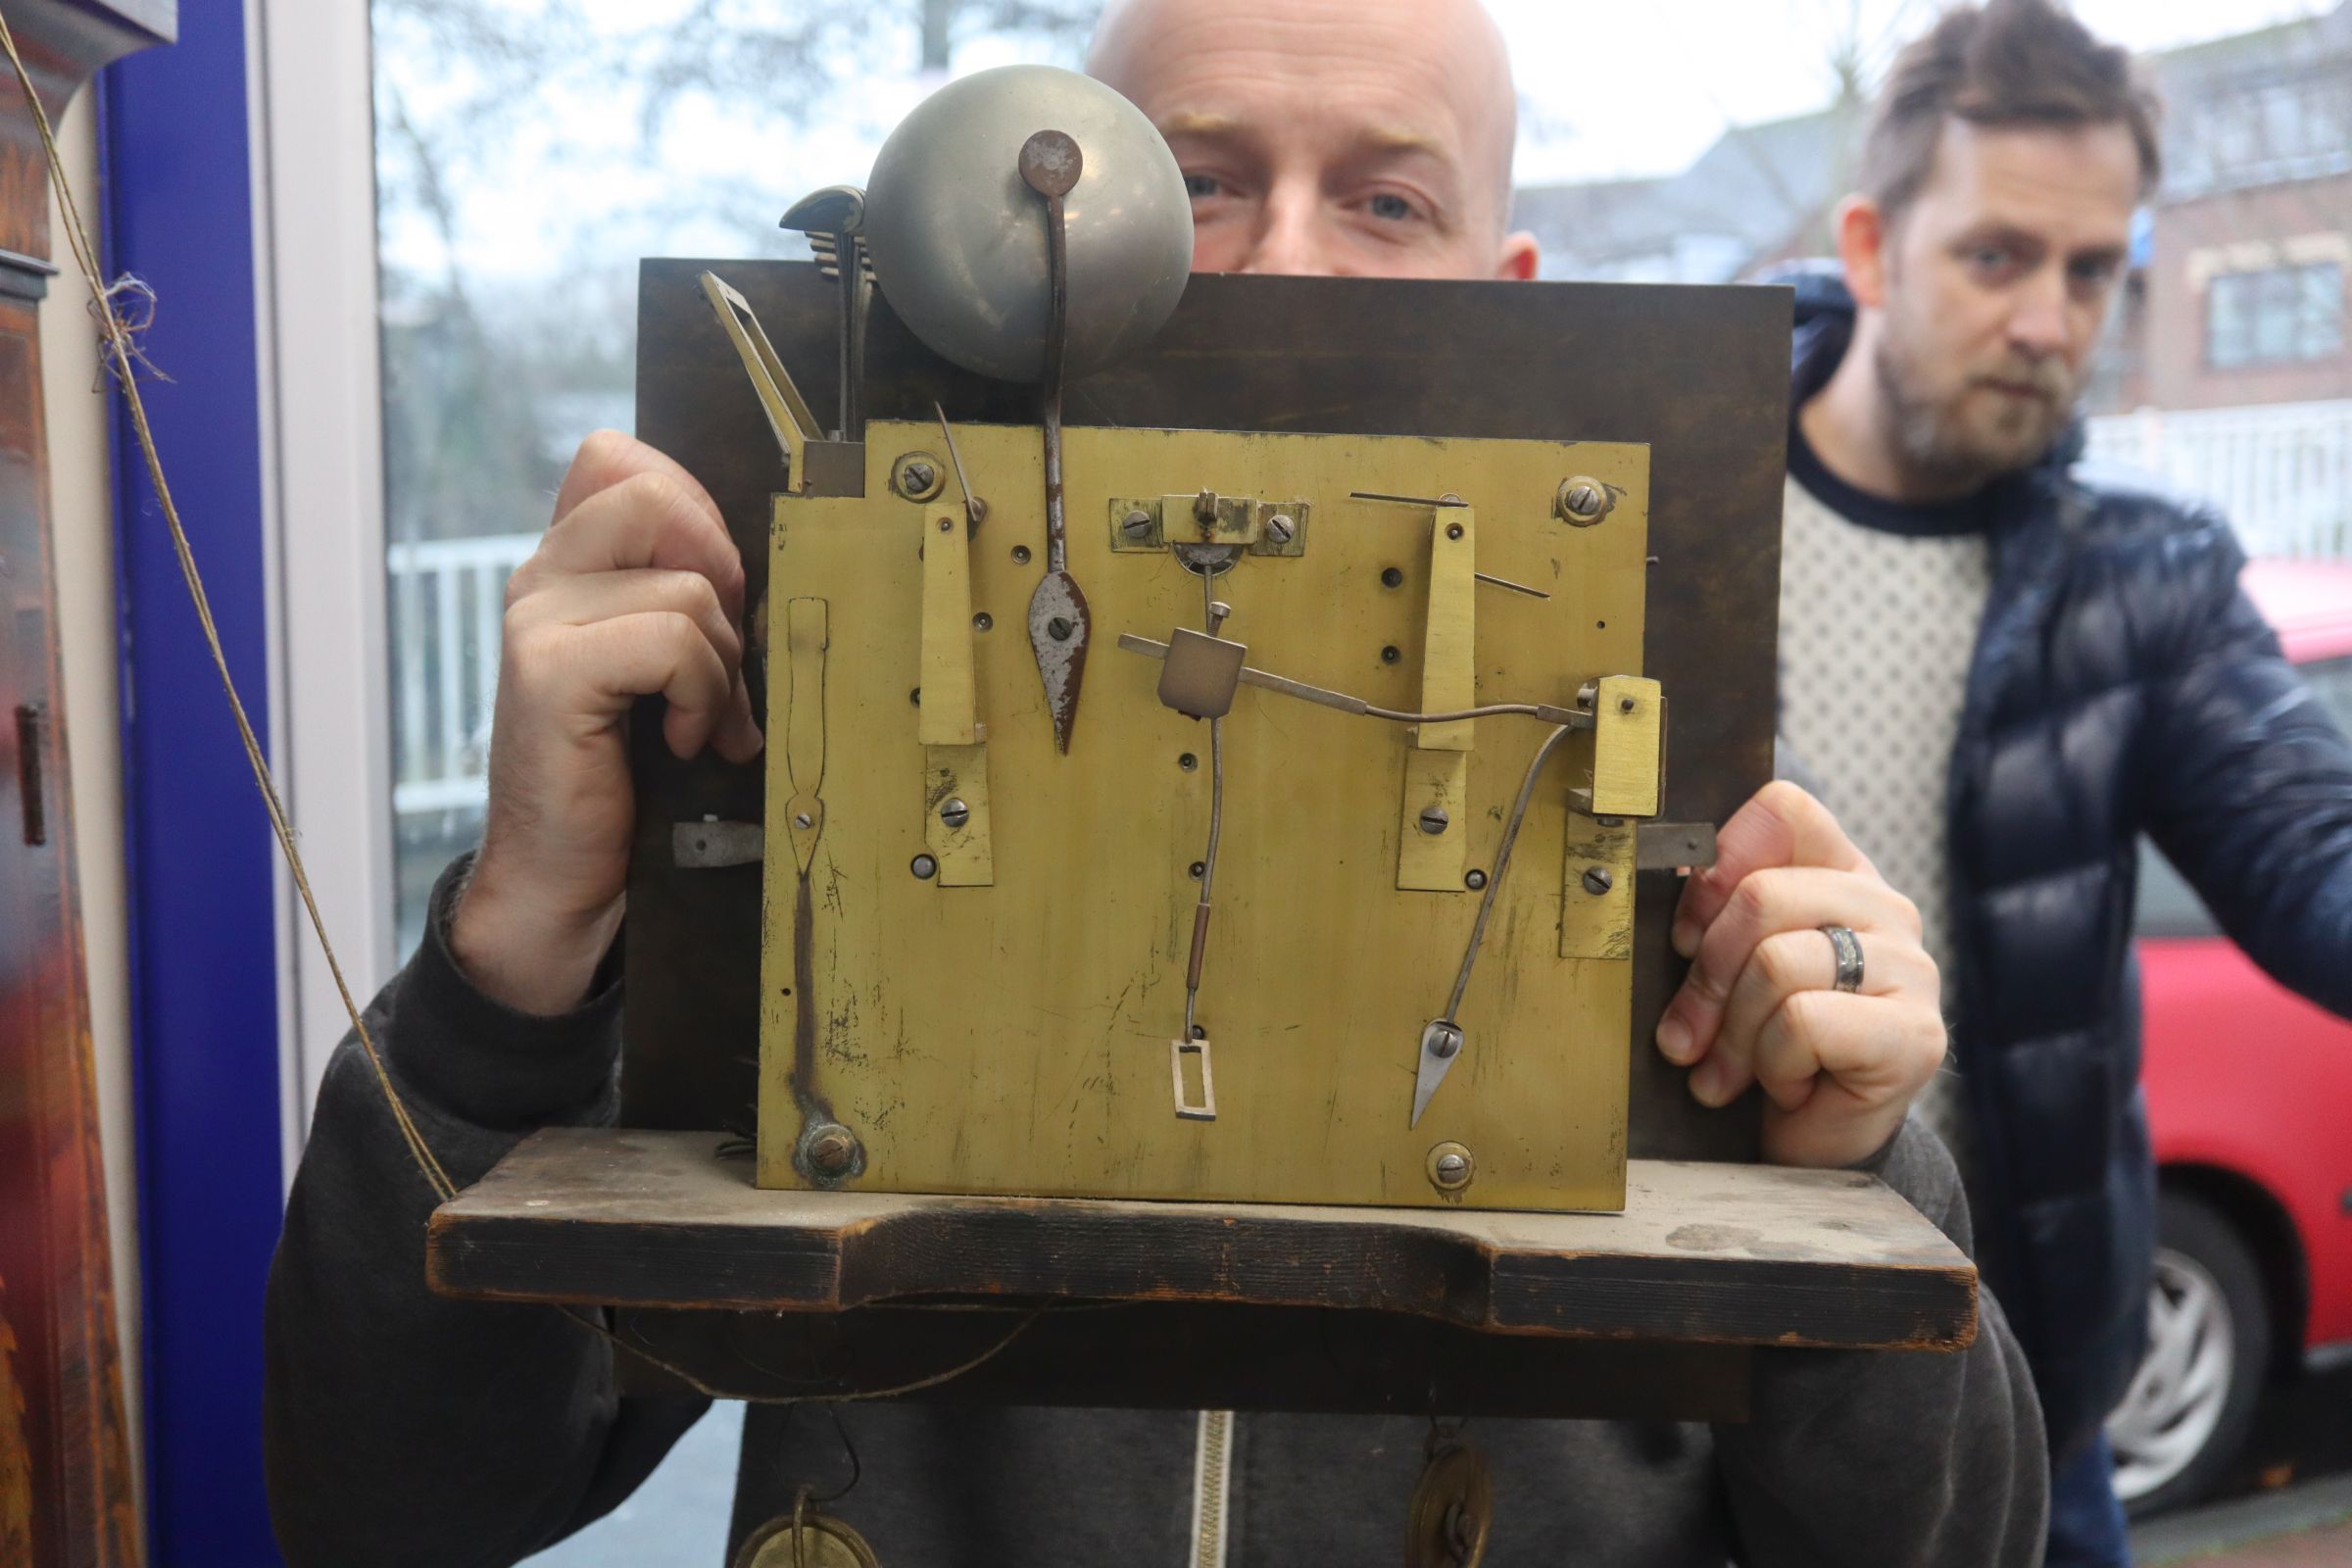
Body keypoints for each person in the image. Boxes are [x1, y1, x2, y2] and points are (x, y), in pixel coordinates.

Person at [264, 1, 2044, 1563]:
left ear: (1515, 297)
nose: (1278, 262)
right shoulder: (809, 775)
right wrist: (514, 968)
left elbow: (1953, 1549)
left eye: (1387, 197)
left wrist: (1856, 1182)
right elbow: (388, 1509)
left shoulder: (1662, 855)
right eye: (1188, 184)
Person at [1766, 3, 2352, 1564]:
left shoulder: (2141, 583)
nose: (2051, 318)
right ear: (1877, 247)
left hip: (2022, 1377)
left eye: (2093, 271)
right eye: (2000, 257)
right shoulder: (1667, 497)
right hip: (1705, 1349)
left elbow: (2319, 862)